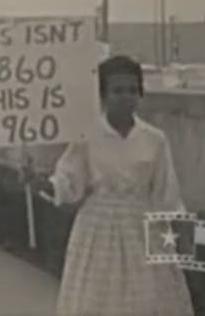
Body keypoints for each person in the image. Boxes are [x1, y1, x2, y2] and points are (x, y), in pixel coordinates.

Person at [27, 55, 194, 316]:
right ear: (103, 94)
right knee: (96, 302)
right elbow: (68, 182)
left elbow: (167, 193)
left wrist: (178, 239)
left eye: (132, 90)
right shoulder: (87, 136)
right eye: (117, 90)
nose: (125, 97)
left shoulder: (154, 140)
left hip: (143, 232)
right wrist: (40, 182)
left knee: (148, 301)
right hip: (97, 231)